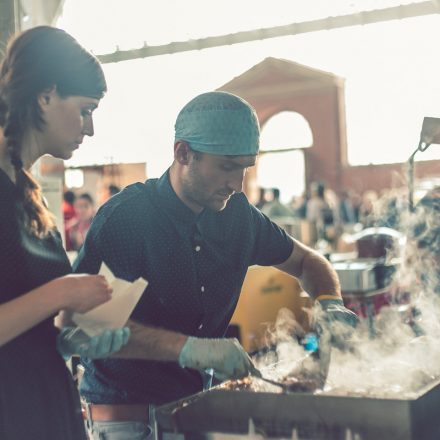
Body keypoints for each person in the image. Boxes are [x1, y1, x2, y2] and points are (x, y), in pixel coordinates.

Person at [73, 91, 358, 440]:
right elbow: (89, 330)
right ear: (183, 153)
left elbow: (308, 261)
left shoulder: (238, 217)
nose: (237, 185)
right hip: (128, 419)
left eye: (244, 168)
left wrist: (330, 304)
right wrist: (190, 349)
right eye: (226, 167)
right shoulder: (128, 219)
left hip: (198, 405)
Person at [0, 26, 131, 440]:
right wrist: (64, 292)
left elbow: (26, 326)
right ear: (46, 95)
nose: (89, 129)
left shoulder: (26, 192)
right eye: (85, 110)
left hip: (45, 407)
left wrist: (74, 339)